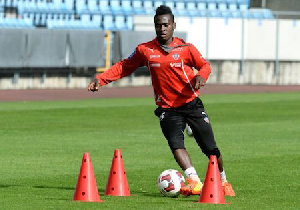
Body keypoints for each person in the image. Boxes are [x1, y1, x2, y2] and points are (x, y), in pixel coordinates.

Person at [88, 5, 235, 197]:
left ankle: (223, 181)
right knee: (176, 144)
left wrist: (201, 76)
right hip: (167, 107)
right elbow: (125, 66)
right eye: (159, 25)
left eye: (166, 25)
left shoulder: (186, 49)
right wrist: (101, 79)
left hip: (191, 103)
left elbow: (204, 65)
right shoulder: (145, 50)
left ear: (173, 25)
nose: (162, 28)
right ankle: (194, 181)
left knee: (210, 148)